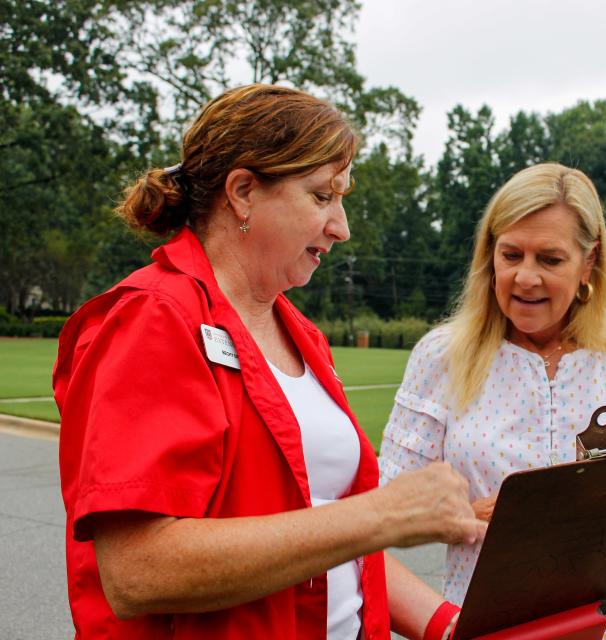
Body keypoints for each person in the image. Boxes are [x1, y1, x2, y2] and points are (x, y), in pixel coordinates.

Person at [53, 84, 484, 639]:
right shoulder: (154, 317)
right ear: (243, 192)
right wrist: (382, 516)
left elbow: (332, 540)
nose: (342, 226)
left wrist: (450, 627)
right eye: (322, 196)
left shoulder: (301, 334)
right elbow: (137, 571)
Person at [379, 162, 606, 639]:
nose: (525, 278)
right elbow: (389, 504)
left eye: (550, 260)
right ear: (490, 257)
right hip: (492, 628)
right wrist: (467, 516)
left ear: (588, 262)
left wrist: (584, 502)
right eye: (511, 255)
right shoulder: (442, 357)